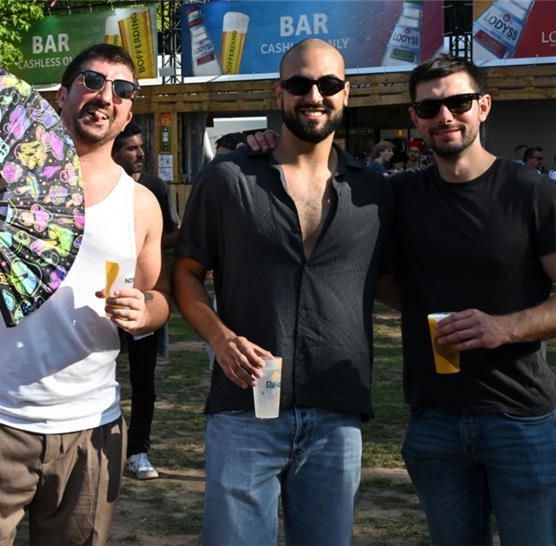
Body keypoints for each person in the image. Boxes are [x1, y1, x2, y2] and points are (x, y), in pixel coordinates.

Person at [0, 44, 170, 545]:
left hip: (91, 426)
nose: (105, 97)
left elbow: (157, 296)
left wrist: (144, 313)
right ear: (62, 95)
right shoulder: (2, 181)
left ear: (128, 113)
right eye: (92, 82)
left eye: (122, 90)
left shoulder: (141, 204)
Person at [173, 38, 392, 546]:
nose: (314, 95)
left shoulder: (376, 191)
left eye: (328, 84)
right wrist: (220, 339)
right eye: (299, 84)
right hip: (244, 407)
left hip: (336, 413)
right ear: (279, 93)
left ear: (346, 93)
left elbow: (398, 278)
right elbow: (185, 273)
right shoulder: (228, 178)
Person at [389, 54, 556, 545]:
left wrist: (504, 327)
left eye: (459, 103)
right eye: (429, 108)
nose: (445, 116)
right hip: (433, 419)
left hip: (519, 418)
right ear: (415, 117)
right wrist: (260, 147)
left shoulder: (531, 192)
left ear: (484, 106)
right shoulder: (400, 196)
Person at [111, 122, 178, 480]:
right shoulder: (98, 188)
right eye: (131, 148)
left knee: (144, 381)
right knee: (100, 374)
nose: (140, 154)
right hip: (102, 298)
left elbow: (168, 236)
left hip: (143, 297)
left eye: (141, 146)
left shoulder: (154, 188)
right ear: (114, 152)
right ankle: (99, 447)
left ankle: (138, 451)